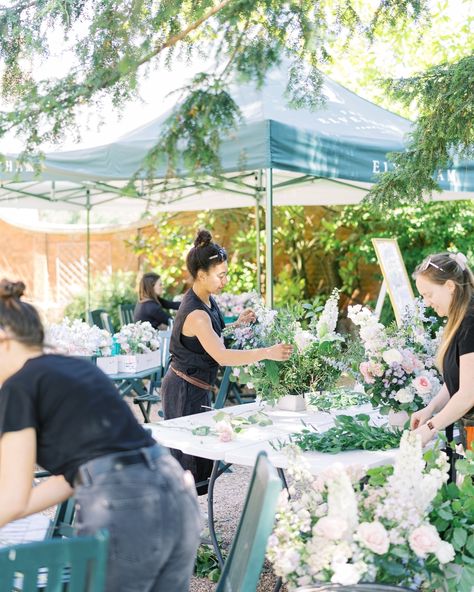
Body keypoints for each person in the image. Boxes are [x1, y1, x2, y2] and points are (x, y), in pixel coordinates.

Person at [0, 279, 201, 592]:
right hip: (175, 490)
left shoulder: (18, 386)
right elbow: (72, 477)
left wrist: (12, 509)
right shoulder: (76, 369)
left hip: (125, 508)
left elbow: (10, 498)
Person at [160, 229, 293, 494]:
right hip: (183, 390)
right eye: (221, 275)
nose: (225, 280)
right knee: (186, 470)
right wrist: (267, 352)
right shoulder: (195, 313)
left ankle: (187, 524)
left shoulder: (206, 300)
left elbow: (213, 339)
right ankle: (179, 527)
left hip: (195, 386)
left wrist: (236, 325)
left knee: (198, 465)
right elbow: (221, 355)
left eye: (226, 274)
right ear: (201, 275)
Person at [410, 252, 474, 455]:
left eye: (429, 294)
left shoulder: (471, 323)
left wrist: (430, 428)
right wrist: (431, 408)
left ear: (449, 286)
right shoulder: (460, 319)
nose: (427, 303)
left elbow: (467, 395)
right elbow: (458, 379)